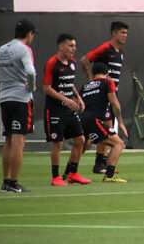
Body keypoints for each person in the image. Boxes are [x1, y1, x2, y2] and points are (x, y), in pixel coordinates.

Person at [0, 18, 37, 192]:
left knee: (8, 141)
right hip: (20, 99)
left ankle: (6, 181)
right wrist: (31, 86)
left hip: (4, 98)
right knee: (19, 142)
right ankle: (14, 182)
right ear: (29, 34)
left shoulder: (1, 49)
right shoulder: (24, 49)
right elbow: (30, 71)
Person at [42, 33, 91, 186]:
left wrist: (79, 98)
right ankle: (55, 177)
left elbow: (69, 83)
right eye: (70, 46)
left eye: (75, 46)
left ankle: (73, 173)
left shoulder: (72, 63)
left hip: (69, 110)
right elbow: (47, 88)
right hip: (55, 110)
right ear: (61, 46)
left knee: (80, 140)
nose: (73, 49)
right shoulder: (52, 63)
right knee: (58, 143)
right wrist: (66, 100)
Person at [80, 21, 128, 174]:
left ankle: (101, 163)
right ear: (114, 33)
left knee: (106, 128)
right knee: (106, 128)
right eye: (122, 32)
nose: (125, 35)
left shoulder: (120, 52)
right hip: (103, 94)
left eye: (126, 33)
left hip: (112, 92)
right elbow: (84, 60)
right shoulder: (106, 48)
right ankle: (99, 163)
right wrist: (91, 80)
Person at [80, 62, 128, 182]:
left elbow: (77, 103)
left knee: (83, 144)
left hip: (81, 119)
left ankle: (69, 172)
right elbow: (114, 102)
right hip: (93, 120)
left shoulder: (85, 86)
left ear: (92, 74)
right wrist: (121, 122)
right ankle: (110, 175)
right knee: (119, 144)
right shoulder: (108, 82)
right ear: (107, 74)